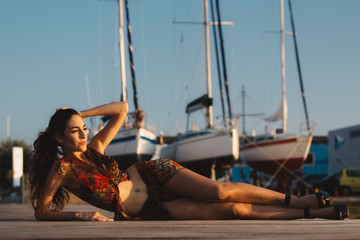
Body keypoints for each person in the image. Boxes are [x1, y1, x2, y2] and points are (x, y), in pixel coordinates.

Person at [29, 102, 348, 221]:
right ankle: (313, 213)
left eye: (83, 129)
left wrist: (78, 113)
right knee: (233, 211)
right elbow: (42, 212)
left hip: (152, 174)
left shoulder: (96, 146)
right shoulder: (62, 169)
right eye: (74, 131)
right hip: (145, 210)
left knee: (222, 192)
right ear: (59, 138)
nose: (84, 134)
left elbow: (122, 108)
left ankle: (298, 199)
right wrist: (80, 216)